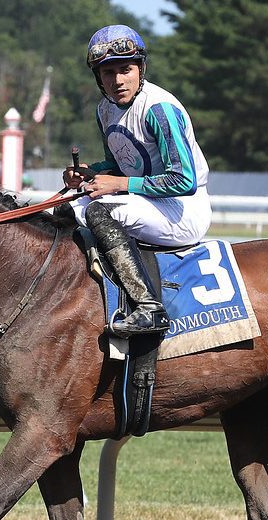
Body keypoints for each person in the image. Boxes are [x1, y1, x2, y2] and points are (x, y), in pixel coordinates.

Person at [63, 24, 211, 337]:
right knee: (68, 207)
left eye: (125, 70)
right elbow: (121, 165)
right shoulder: (105, 111)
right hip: (147, 201)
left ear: (140, 68)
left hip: (182, 208)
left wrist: (116, 185)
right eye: (108, 73)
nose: (117, 81)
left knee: (98, 212)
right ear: (98, 77)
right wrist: (90, 172)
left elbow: (184, 180)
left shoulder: (159, 109)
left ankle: (149, 308)